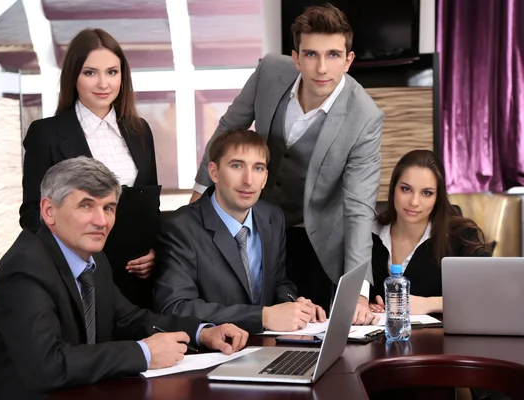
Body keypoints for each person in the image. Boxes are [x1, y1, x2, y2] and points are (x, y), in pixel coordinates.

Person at [0, 157, 248, 400]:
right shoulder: (25, 269)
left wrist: (202, 332)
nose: (101, 221)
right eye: (86, 206)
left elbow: (130, 319)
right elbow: (47, 365)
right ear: (48, 211)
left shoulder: (94, 258)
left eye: (109, 208)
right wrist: (143, 354)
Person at [190, 4, 383, 324]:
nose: (321, 68)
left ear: (349, 61)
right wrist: (199, 195)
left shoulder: (365, 118)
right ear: (296, 57)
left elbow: (360, 208)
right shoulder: (269, 72)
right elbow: (227, 128)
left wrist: (359, 293)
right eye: (311, 55)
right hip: (254, 222)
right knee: (247, 318)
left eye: (333, 55)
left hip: (315, 235)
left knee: (310, 326)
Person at [19, 28, 158, 308]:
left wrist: (157, 251)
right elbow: (32, 213)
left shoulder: (139, 130)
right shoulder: (46, 134)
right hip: (80, 276)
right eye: (90, 72)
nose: (103, 83)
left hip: (137, 278)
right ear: (74, 77)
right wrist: (71, 259)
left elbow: (150, 205)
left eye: (112, 72)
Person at [153, 129, 325, 334]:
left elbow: (279, 282)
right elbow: (175, 307)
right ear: (214, 172)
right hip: (214, 352)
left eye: (258, 168)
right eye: (237, 166)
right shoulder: (181, 228)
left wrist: (296, 307)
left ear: (265, 178)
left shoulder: (272, 217)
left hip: (267, 348)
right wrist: (263, 317)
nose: (248, 180)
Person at [368, 150, 492, 314]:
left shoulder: (462, 235)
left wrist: (428, 304)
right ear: (393, 189)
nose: (414, 202)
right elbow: (351, 296)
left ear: (438, 197)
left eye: (427, 193)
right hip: (380, 337)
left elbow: (487, 296)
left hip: (440, 338)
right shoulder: (368, 234)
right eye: (406, 189)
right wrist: (365, 306)